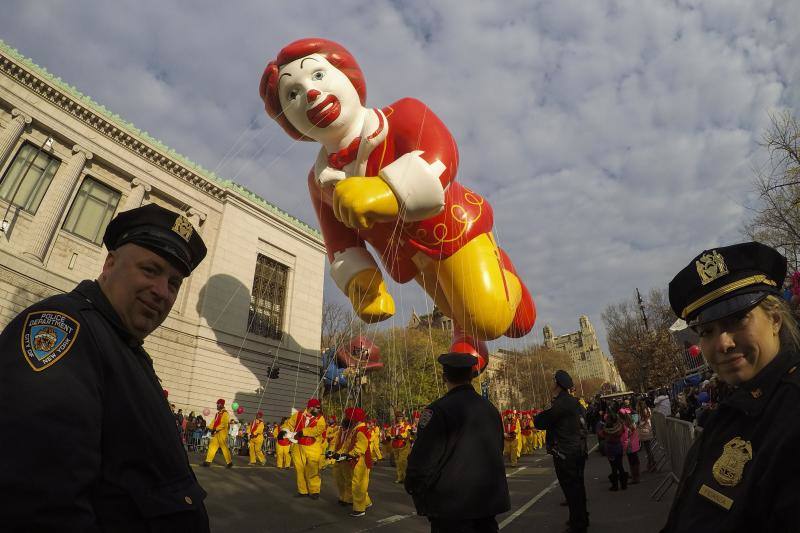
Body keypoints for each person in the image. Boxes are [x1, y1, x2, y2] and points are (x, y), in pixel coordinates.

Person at [259, 38, 536, 373]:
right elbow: (340, 243)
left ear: (348, 76)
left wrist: (384, 191)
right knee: (452, 307)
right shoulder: (319, 182)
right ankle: (466, 334)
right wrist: (359, 281)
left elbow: (440, 156)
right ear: (290, 122)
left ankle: (507, 277)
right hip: (409, 259)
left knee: (496, 320)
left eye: (317, 75)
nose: (310, 94)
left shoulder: (403, 113)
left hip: (453, 227)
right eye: (292, 94)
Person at [0, 203, 209, 531]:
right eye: (150, 270)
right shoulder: (65, 328)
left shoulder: (124, 348)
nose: (161, 292)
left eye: (173, 283)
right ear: (109, 264)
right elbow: (40, 504)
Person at [661, 242, 800, 532]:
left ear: (774, 319)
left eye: (737, 319)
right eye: (707, 331)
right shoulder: (735, 409)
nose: (722, 343)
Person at [405, 353, 509, 532]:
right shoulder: (490, 409)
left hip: (452, 506)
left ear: (444, 377)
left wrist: (414, 486)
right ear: (471, 376)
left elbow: (424, 458)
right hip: (486, 501)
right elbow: (498, 448)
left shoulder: (437, 411)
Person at [534, 370, 589, 533]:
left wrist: (547, 407)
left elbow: (540, 422)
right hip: (578, 450)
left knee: (571, 489)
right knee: (578, 486)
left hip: (565, 453)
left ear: (558, 384)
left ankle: (578, 525)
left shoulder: (560, 404)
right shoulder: (575, 403)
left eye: (553, 382)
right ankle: (581, 518)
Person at [284, 398, 327, 498]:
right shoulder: (298, 415)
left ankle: (315, 490)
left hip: (313, 446)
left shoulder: (320, 418)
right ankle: (302, 490)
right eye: (316, 408)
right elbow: (289, 424)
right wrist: (285, 430)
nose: (318, 410)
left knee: (312, 469)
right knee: (299, 469)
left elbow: (319, 429)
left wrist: (304, 432)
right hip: (298, 446)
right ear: (310, 407)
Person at [203, 399, 233, 468]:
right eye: (217, 404)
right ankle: (208, 461)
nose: (217, 405)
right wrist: (209, 428)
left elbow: (223, 424)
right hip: (216, 433)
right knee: (212, 446)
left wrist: (215, 429)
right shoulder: (217, 414)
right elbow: (214, 422)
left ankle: (229, 462)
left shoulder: (225, 413)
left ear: (222, 405)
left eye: (218, 404)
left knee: (224, 448)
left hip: (222, 433)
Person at [390, 411, 412, 483]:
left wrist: (401, 436)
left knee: (403, 461)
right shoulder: (394, 426)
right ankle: (400, 477)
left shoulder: (406, 425)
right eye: (398, 417)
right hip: (395, 446)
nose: (399, 418)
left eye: (401, 417)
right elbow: (390, 433)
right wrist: (388, 436)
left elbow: (408, 433)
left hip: (404, 446)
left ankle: (406, 477)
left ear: (402, 418)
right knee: (397, 462)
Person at [636, 399, 656, 472]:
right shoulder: (647, 409)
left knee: (648, 449)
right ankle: (651, 463)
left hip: (644, 431)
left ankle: (652, 464)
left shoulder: (642, 411)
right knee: (648, 449)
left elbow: (643, 421)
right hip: (648, 430)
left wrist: (638, 425)